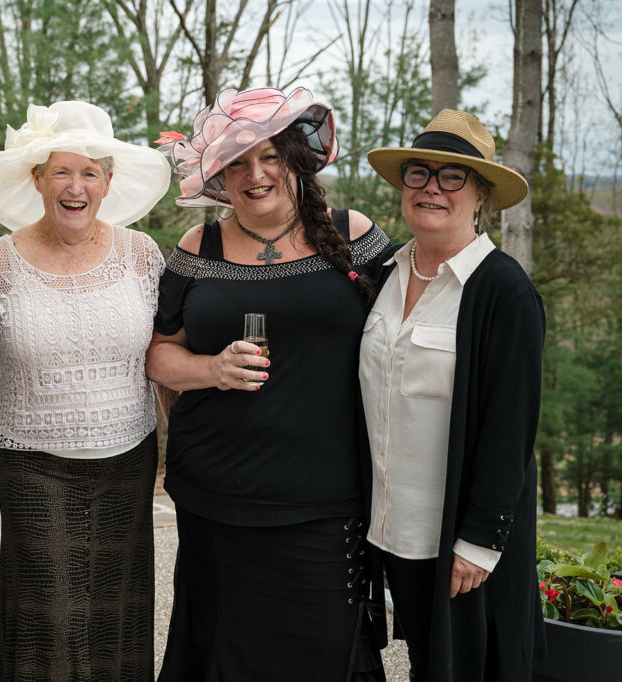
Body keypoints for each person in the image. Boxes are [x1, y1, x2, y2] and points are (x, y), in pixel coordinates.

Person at [146, 86, 391, 681]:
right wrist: (210, 370)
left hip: (325, 495)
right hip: (217, 493)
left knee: (323, 649)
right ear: (218, 178)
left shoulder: (353, 234)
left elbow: (409, 330)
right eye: (236, 163)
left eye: (270, 156)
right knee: (220, 648)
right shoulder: (196, 246)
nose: (255, 174)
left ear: (297, 160)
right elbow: (157, 354)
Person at [0, 100, 170, 680]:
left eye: (90, 172)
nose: (75, 186)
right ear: (37, 179)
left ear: (109, 182)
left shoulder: (143, 257)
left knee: (117, 615)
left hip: (129, 460)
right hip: (33, 463)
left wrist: (180, 452)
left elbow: (160, 359)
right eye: (61, 171)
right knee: (48, 621)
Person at [360, 110, 546, 681]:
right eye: (419, 173)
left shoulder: (503, 291)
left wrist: (479, 540)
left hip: (456, 543)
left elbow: (510, 428)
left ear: (481, 195)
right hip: (385, 528)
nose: (431, 188)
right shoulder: (379, 273)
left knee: (466, 668)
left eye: (451, 177)